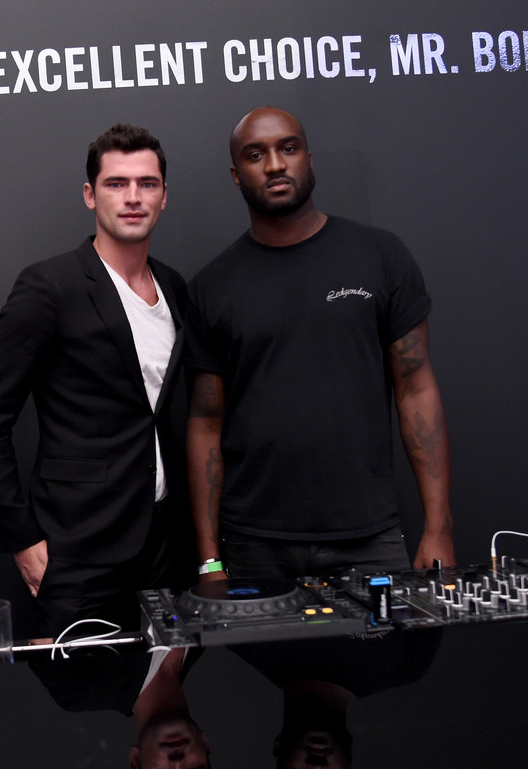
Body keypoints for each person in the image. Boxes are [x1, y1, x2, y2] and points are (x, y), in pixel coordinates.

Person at [185, 106, 454, 582]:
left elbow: (416, 389)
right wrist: (210, 559)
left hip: (368, 537)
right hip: (254, 543)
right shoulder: (212, 286)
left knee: (392, 637)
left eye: (288, 148)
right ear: (236, 174)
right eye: (255, 155)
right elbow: (206, 423)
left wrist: (439, 527)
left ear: (309, 158)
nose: (275, 165)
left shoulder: (380, 256)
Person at [0, 124, 191, 635]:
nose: (132, 197)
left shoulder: (175, 288)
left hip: (165, 546)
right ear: (91, 195)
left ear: (163, 196)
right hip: (79, 550)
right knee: (82, 681)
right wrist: (22, 538)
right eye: (116, 183)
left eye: (147, 183)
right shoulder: (49, 286)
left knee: (168, 681)